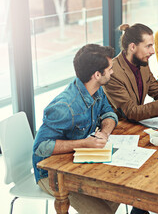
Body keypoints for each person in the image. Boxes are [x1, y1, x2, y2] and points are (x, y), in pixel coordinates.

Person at [32, 44, 120, 214]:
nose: (112, 72)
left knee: (117, 193)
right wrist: (84, 143)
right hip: (51, 174)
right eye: (110, 69)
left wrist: (104, 133)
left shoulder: (96, 89)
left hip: (77, 163)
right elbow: (41, 147)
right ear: (97, 74)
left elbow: (109, 112)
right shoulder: (65, 107)